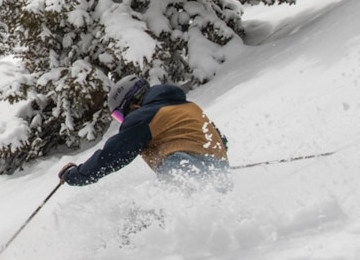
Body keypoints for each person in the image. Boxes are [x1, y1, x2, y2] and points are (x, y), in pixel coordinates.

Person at [57, 75, 231, 192]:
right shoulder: (188, 107)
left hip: (182, 169)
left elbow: (112, 156)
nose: (123, 121)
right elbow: (220, 140)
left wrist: (77, 175)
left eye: (120, 115)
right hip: (220, 174)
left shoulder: (143, 116)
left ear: (132, 105)